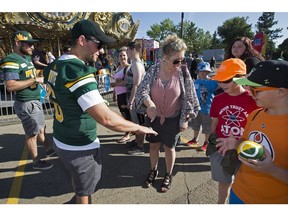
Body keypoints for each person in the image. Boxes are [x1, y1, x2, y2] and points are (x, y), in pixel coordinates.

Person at [43, 19, 157, 204]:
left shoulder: (54, 65)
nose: (102, 50)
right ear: (81, 40)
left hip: (62, 138)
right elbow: (106, 118)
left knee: (81, 185)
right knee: (84, 191)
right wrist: (140, 128)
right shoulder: (77, 71)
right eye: (98, 44)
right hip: (79, 146)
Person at [216, 60, 288, 204]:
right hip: (239, 193)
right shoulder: (255, 115)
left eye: (255, 90)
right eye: (248, 87)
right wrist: (236, 143)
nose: (250, 92)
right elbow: (246, 142)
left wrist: (272, 170)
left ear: (280, 92)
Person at [135, 34, 200, 192]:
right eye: (176, 60)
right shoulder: (154, 69)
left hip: (173, 118)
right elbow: (141, 90)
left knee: (170, 148)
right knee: (154, 146)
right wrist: (149, 104)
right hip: (154, 118)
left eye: (182, 60)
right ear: (165, 56)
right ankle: (153, 170)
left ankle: (168, 174)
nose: (180, 64)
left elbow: (190, 96)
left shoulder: (183, 71)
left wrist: (185, 118)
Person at [1, 30, 54, 170]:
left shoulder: (25, 58)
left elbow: (28, 76)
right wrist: (35, 80)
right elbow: (10, 86)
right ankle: (36, 162)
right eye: (29, 44)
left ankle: (49, 149)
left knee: (41, 128)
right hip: (26, 103)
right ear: (18, 43)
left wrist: (38, 79)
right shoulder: (11, 60)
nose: (32, 47)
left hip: (34, 100)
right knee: (32, 134)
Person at [208, 58, 258, 204]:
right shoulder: (218, 99)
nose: (222, 84)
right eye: (219, 80)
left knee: (243, 183)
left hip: (244, 147)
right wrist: (212, 141)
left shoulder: (253, 99)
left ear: (241, 78)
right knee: (223, 182)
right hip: (222, 148)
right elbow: (215, 121)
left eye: (227, 80)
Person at [186, 62, 218, 151]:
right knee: (196, 124)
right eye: (201, 71)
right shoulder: (196, 82)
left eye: (205, 71)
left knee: (207, 126)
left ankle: (206, 142)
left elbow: (219, 87)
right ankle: (195, 139)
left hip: (207, 108)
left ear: (208, 72)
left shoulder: (212, 82)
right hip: (197, 108)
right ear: (198, 72)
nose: (203, 73)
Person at [125, 41, 147, 155]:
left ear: (133, 50)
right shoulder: (134, 63)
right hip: (134, 99)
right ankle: (137, 141)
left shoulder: (137, 64)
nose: (127, 52)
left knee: (138, 123)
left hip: (137, 100)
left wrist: (131, 100)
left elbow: (136, 84)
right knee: (135, 122)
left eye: (128, 50)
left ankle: (140, 146)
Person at [111, 47, 132, 143]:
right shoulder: (119, 68)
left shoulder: (128, 67)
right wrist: (114, 93)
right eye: (120, 55)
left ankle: (127, 134)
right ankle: (130, 130)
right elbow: (117, 81)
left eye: (124, 55)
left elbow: (126, 82)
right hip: (119, 94)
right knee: (124, 114)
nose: (122, 57)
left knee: (126, 114)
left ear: (127, 56)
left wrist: (116, 84)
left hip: (125, 94)